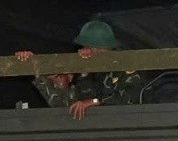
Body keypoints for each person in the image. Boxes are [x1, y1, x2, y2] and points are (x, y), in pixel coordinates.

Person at [14, 19, 143, 120]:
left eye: (90, 47)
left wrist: (94, 102)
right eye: (85, 47)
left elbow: (128, 98)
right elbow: (69, 104)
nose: (87, 51)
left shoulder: (125, 67)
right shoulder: (90, 74)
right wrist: (34, 66)